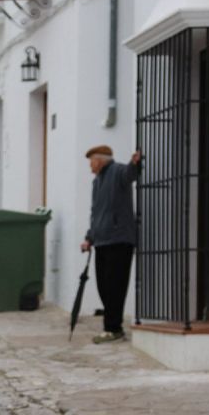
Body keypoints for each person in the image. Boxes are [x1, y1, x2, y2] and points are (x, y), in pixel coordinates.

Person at [79, 145, 142, 344]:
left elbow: (130, 174)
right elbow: (94, 213)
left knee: (115, 287)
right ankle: (111, 325)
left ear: (100, 160)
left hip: (120, 240)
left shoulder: (117, 171)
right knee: (103, 287)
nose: (90, 166)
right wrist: (89, 238)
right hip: (102, 242)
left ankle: (113, 328)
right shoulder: (96, 182)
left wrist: (135, 163)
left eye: (91, 161)